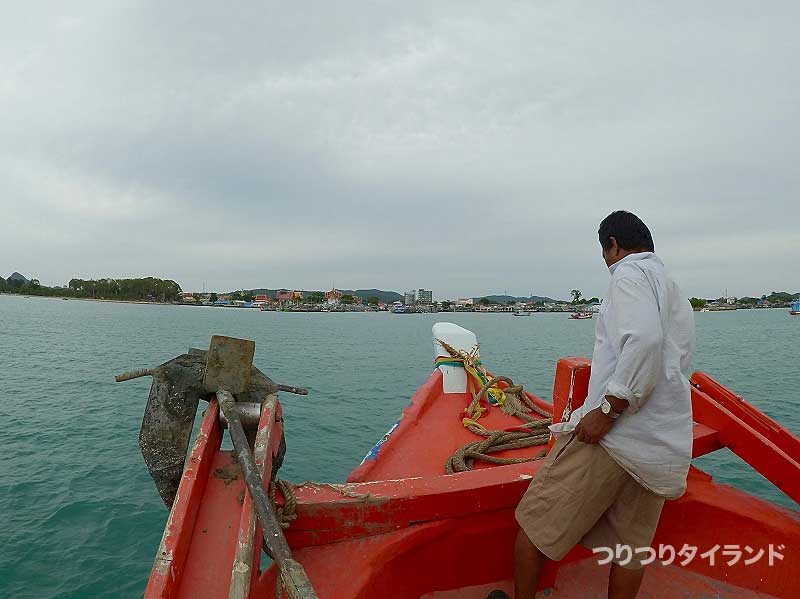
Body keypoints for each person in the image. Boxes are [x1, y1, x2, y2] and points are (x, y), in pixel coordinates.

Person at [493, 211, 695, 599]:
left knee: (534, 524)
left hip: (616, 438)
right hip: (660, 444)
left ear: (613, 245)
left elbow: (645, 341)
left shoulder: (627, 274)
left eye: (604, 251)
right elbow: (674, 356)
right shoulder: (671, 288)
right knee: (630, 551)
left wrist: (608, 410)